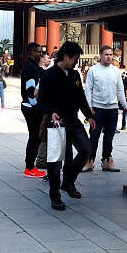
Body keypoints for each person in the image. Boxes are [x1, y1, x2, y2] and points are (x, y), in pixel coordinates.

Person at [38, 41, 96, 211]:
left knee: (86, 150)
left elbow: (81, 98)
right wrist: (51, 113)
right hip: (55, 124)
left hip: (74, 121)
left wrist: (90, 116)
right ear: (65, 57)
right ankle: (55, 196)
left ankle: (69, 181)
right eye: (75, 59)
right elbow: (41, 101)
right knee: (55, 162)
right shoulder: (48, 76)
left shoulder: (75, 75)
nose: (76, 63)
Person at [82, 45, 127, 173]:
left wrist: (125, 105)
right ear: (101, 55)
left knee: (109, 136)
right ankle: (89, 160)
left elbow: (120, 90)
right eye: (106, 54)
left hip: (112, 108)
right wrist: (89, 107)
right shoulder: (93, 70)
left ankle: (107, 160)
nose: (109, 57)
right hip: (97, 108)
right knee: (94, 136)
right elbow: (89, 90)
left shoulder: (115, 71)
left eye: (110, 54)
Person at [19, 42, 47, 179]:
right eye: (39, 52)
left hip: (32, 106)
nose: (40, 54)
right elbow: (30, 92)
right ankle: (29, 167)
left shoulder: (33, 66)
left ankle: (30, 166)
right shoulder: (30, 68)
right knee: (34, 137)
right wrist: (37, 108)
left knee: (35, 137)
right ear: (32, 53)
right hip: (31, 107)